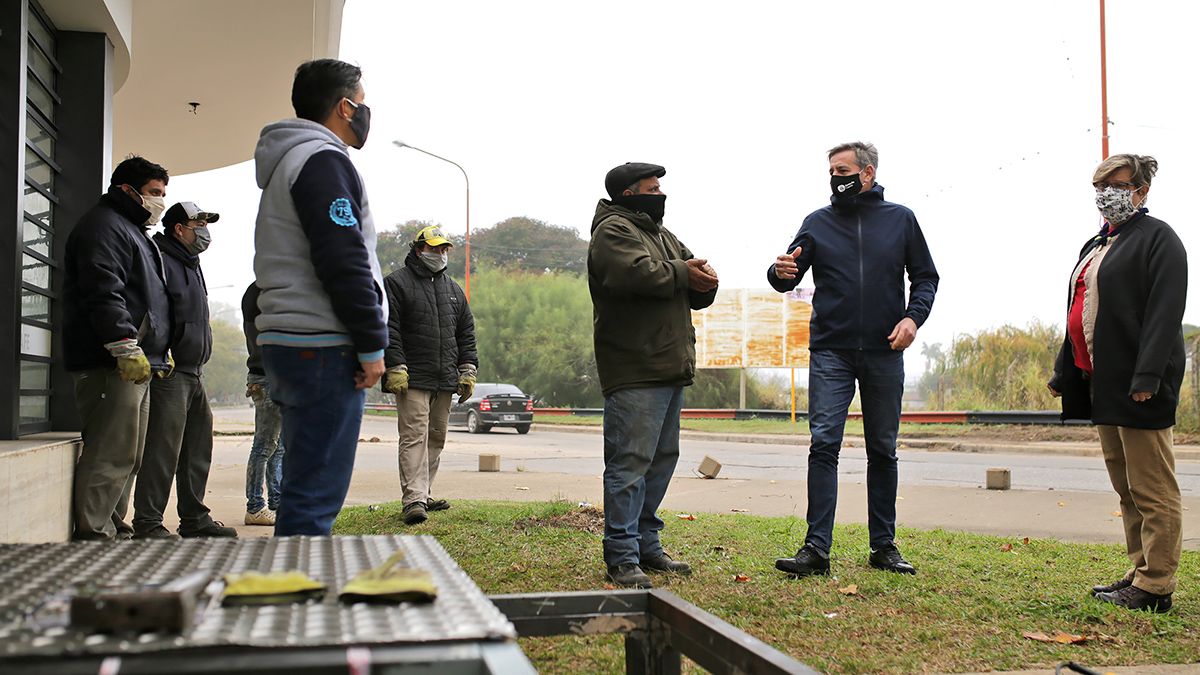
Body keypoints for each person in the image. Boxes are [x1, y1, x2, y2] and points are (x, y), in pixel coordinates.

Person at [768, 142, 939, 578]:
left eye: (842, 170)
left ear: (867, 173)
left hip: (885, 351)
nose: (834, 178)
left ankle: (884, 547)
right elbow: (786, 274)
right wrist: (778, 272)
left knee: (883, 449)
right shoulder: (817, 222)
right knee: (824, 444)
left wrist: (912, 319)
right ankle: (815, 550)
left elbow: (925, 277)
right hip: (831, 351)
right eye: (831, 171)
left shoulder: (901, 219)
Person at [253, 58, 388, 536]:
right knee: (314, 496)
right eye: (363, 103)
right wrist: (372, 343)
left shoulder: (290, 160)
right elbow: (343, 258)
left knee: (303, 485)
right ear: (345, 107)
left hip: (294, 340)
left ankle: (293, 574)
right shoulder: (322, 161)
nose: (366, 113)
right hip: (324, 346)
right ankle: (300, 582)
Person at [1048, 154, 1185, 613]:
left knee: (1152, 487)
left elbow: (1165, 314)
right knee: (1126, 486)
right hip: (1103, 382)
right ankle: (1140, 568)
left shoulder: (1159, 239)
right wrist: (1064, 371)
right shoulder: (1099, 243)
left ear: (1141, 191)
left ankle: (1156, 584)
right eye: (1100, 187)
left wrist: (1147, 376)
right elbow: (1081, 309)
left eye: (1118, 186)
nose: (1106, 195)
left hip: (1139, 385)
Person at [588, 162, 719, 588]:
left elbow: (688, 274)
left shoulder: (662, 235)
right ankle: (622, 555)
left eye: (660, 187)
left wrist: (705, 280)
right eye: (653, 187)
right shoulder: (613, 231)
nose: (660, 193)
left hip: (668, 363)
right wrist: (684, 272)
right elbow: (634, 274)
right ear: (629, 194)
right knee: (629, 464)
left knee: (661, 461)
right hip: (635, 366)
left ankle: (646, 543)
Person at [63, 156, 173, 541]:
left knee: (130, 455)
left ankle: (114, 526)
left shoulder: (132, 231)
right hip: (111, 360)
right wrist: (124, 345)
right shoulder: (104, 227)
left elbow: (146, 299)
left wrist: (158, 347)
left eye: (163, 193)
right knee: (110, 451)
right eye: (153, 192)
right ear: (127, 191)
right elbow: (103, 290)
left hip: (137, 360)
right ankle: (94, 533)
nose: (160, 201)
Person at [132, 202, 236, 539]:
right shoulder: (161, 259)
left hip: (195, 371)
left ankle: (194, 519)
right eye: (199, 224)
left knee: (197, 449)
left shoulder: (191, 263)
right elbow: (151, 311)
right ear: (179, 228)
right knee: (163, 451)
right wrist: (162, 352)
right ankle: (148, 523)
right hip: (170, 370)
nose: (205, 231)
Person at [381, 225, 478, 526]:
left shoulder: (453, 290)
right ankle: (413, 499)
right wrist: (395, 366)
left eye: (444, 249)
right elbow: (389, 329)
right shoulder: (396, 283)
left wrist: (467, 369)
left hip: (444, 378)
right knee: (414, 437)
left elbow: (466, 333)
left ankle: (424, 492)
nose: (440, 254)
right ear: (418, 249)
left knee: (436, 437)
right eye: (434, 248)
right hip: (412, 377)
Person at [241, 283, 284, 527]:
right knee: (264, 446)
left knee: (278, 446)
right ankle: (255, 506)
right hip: (267, 375)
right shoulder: (260, 292)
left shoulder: (268, 289)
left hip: (275, 375)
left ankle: (277, 501)